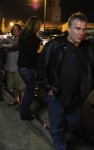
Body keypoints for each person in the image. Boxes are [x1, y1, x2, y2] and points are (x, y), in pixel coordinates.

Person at [37, 12, 94, 150]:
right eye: (77, 28)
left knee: (75, 122)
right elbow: (40, 68)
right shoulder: (54, 45)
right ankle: (60, 144)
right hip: (56, 96)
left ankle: (62, 130)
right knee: (56, 129)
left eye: (84, 29)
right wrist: (48, 88)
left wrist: (87, 90)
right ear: (68, 28)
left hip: (77, 98)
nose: (81, 33)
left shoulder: (88, 48)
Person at [17, 16, 41, 120]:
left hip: (21, 66)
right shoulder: (34, 39)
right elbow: (33, 56)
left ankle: (24, 111)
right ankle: (25, 114)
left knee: (28, 90)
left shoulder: (22, 35)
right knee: (29, 92)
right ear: (36, 25)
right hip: (29, 68)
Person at [5, 24, 25, 109]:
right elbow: (4, 48)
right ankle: (16, 100)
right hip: (9, 65)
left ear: (20, 31)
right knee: (12, 86)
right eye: (13, 29)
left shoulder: (22, 40)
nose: (14, 31)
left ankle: (22, 104)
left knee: (21, 87)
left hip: (18, 66)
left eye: (16, 29)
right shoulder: (9, 39)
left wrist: (10, 46)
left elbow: (15, 46)